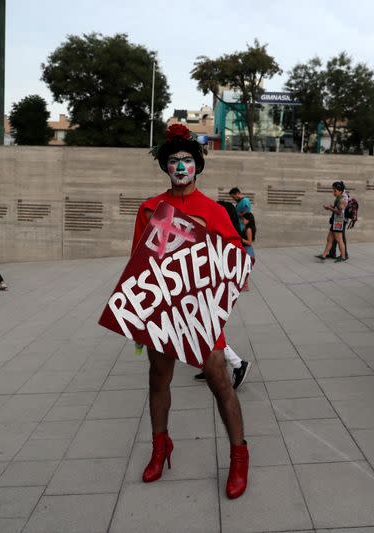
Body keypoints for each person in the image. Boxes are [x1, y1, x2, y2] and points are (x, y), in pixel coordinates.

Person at [135, 124, 249, 499]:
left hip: (201, 311)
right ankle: (160, 447)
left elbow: (235, 264)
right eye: (173, 161)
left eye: (186, 160)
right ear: (165, 167)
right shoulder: (150, 208)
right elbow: (138, 264)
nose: (180, 166)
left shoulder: (215, 211)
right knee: (158, 380)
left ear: (197, 167)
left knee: (219, 382)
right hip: (163, 309)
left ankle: (238, 456)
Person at [194, 202, 251, 389]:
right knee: (207, 328)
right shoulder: (220, 234)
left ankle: (238, 364)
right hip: (208, 287)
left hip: (213, 288)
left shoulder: (224, 238)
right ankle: (210, 364)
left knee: (209, 329)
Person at [316, 181, 348, 262]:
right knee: (329, 238)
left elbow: (339, 212)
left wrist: (330, 208)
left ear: (340, 191)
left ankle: (343, 256)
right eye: (333, 190)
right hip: (335, 221)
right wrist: (332, 207)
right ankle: (324, 255)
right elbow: (337, 209)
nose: (333, 192)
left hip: (338, 222)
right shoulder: (339, 197)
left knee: (339, 239)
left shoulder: (343, 199)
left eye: (335, 190)